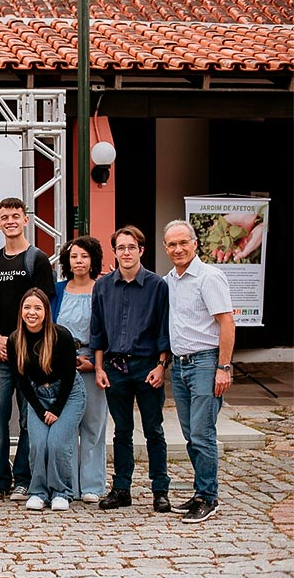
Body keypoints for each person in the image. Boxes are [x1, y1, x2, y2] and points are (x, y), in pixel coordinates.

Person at [90, 225, 172, 513]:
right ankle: (121, 489)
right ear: (115, 252)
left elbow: (164, 330)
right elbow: (97, 332)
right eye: (121, 247)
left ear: (141, 250)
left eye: (131, 247)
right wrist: (99, 368)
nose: (126, 252)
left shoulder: (157, 286)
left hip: (148, 367)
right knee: (121, 431)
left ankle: (160, 490)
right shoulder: (102, 287)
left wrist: (162, 366)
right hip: (114, 367)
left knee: (154, 431)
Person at [0, 197, 56, 502]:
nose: (10, 221)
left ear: (27, 220)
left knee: (29, 418)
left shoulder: (37, 260)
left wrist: (13, 344)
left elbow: (42, 307)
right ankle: (0, 477)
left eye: (16, 215)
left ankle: (23, 478)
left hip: (29, 354)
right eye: (4, 217)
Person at [164, 219, 236, 523]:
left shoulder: (209, 277)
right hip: (180, 366)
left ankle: (209, 497)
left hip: (206, 364)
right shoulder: (169, 279)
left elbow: (227, 323)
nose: (178, 249)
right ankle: (199, 491)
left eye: (183, 242)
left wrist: (223, 367)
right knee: (191, 434)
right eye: (172, 244)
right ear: (165, 248)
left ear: (195, 244)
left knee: (202, 433)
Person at [8, 288, 87, 511]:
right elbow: (21, 381)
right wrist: (40, 409)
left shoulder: (60, 335)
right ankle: (38, 491)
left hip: (67, 394)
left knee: (57, 443)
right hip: (37, 397)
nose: (32, 312)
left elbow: (70, 375)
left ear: (46, 311)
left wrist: (57, 408)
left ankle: (61, 492)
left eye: (37, 308)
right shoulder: (15, 340)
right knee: (38, 443)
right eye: (27, 307)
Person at [51, 236, 108, 503]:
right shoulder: (58, 290)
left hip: (93, 363)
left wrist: (96, 364)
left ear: (93, 260)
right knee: (66, 427)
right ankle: (69, 485)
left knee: (93, 427)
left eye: (84, 256)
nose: (79, 261)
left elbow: (108, 331)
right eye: (74, 256)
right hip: (63, 365)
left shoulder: (103, 289)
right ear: (67, 261)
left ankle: (92, 485)